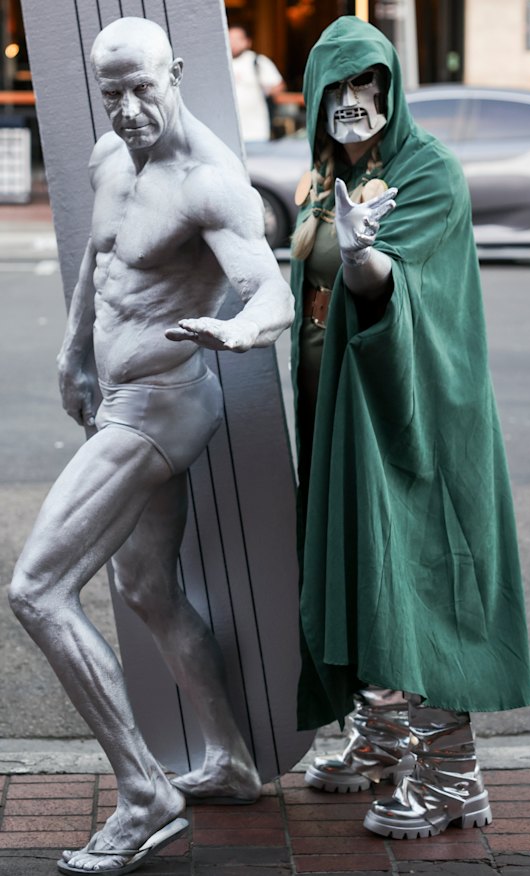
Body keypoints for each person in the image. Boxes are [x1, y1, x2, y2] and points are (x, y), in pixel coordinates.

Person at [8, 16, 294, 875]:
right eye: (112, 94)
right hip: (116, 398)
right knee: (144, 586)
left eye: (144, 89)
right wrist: (71, 353)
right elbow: (100, 267)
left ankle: (145, 793)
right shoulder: (109, 156)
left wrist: (238, 333)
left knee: (37, 590)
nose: (130, 110)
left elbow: (269, 291)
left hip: (161, 407)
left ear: (175, 71)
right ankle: (234, 763)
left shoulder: (209, 183)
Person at [289, 16, 530, 839]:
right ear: (318, 92)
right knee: (361, 565)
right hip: (339, 411)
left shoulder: (427, 171)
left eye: (371, 83)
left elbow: (388, 279)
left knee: (424, 566)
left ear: (391, 88)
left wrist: (363, 252)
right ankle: (387, 731)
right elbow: (310, 282)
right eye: (342, 85)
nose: (356, 101)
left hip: (414, 409)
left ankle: (454, 775)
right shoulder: (325, 175)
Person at [228, 25, 285, 142]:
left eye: (236, 39)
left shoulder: (257, 61)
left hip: (256, 130)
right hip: (229, 131)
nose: (232, 43)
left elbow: (278, 85)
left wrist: (265, 92)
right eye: (229, 39)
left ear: (247, 42)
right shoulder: (221, 63)